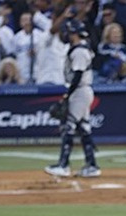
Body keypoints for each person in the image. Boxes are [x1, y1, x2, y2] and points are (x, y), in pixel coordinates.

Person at [44, 19, 100, 178]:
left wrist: (68, 94)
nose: (66, 35)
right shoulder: (78, 48)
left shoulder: (80, 50)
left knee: (68, 127)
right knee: (83, 128)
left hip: (80, 91)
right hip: (81, 91)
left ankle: (64, 165)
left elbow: (78, 74)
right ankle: (92, 166)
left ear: (74, 33)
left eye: (68, 32)